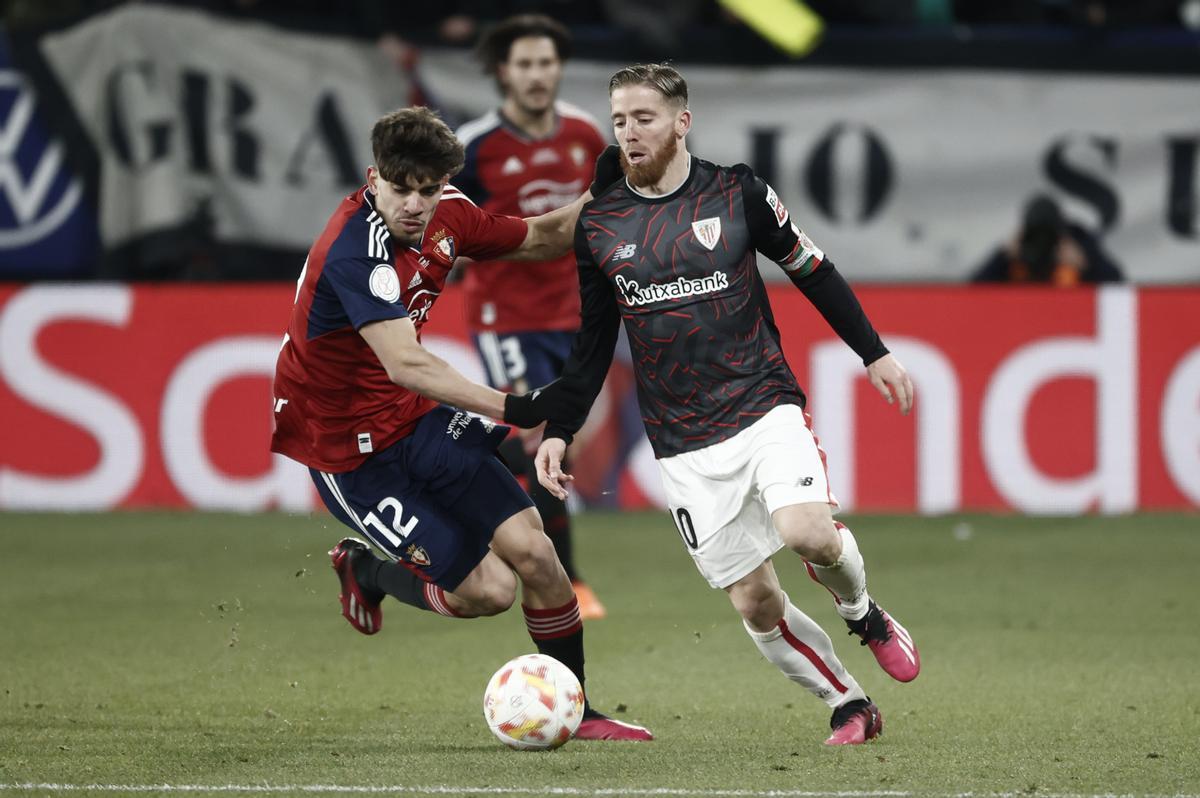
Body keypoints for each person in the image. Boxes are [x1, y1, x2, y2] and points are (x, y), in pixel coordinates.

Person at [503, 64, 921, 746]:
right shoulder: (601, 224)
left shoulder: (737, 191)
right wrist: (561, 429)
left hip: (762, 404)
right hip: (683, 442)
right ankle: (849, 703)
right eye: (619, 121)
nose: (630, 133)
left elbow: (811, 267)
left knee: (809, 532)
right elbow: (593, 343)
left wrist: (872, 351)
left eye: (644, 118)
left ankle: (864, 613)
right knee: (756, 600)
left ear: (681, 122)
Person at [269, 106, 650, 742]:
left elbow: (536, 238)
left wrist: (603, 198)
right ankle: (370, 571)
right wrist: (515, 407)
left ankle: (577, 711)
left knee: (537, 552)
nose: (415, 205)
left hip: (413, 421)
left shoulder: (446, 213)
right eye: (401, 189)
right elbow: (405, 362)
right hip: (348, 452)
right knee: (489, 592)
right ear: (373, 178)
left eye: (427, 189)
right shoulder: (352, 250)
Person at [453, 15, 611, 620]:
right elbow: (448, 226)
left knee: (564, 442)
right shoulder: (477, 144)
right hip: (506, 315)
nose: (537, 75)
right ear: (503, 72)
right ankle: (569, 579)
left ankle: (465, 469)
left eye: (546, 63)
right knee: (541, 437)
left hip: (574, 313)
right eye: (524, 64)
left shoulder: (583, 130)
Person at [971, 194, 1124, 285]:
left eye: (1048, 235)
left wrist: (1086, 266)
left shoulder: (1077, 244)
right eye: (1036, 234)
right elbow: (972, 291)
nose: (1042, 242)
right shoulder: (1014, 253)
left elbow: (1118, 285)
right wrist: (1001, 257)